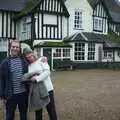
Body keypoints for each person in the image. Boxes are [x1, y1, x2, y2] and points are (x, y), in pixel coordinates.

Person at [23, 48, 58, 120]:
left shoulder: (41, 60)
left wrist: (37, 78)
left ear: (33, 54)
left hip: (48, 90)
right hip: (37, 92)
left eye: (30, 55)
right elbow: (29, 77)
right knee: (38, 113)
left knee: (51, 110)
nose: (29, 58)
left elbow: (48, 72)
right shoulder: (29, 66)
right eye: (27, 57)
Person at [0, 40, 28, 120]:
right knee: (9, 116)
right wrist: (3, 96)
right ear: (10, 48)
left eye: (17, 47)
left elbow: (33, 61)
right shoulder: (4, 63)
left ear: (19, 49)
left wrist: (43, 59)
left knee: (23, 115)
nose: (15, 48)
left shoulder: (23, 61)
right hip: (10, 95)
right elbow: (1, 80)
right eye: (13, 47)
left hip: (23, 94)